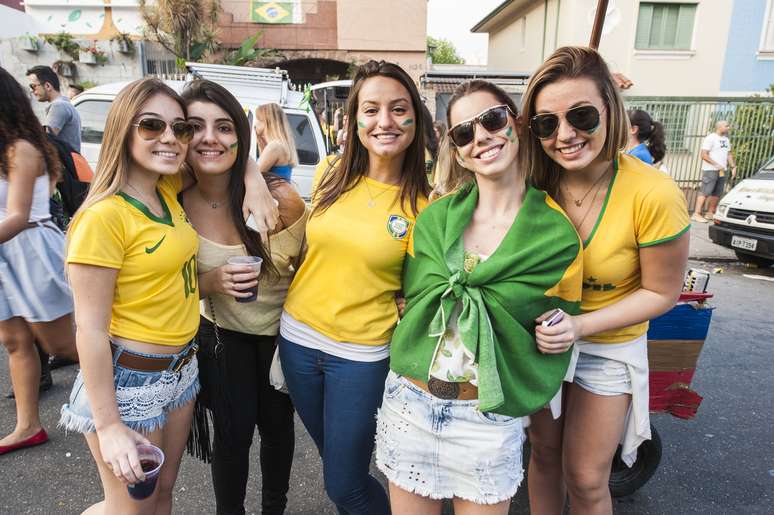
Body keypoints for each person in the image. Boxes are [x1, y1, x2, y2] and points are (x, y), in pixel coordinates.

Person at [58, 77, 279, 515]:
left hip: (179, 373)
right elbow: (89, 329)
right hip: (128, 384)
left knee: (162, 495)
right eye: (151, 126)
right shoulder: (104, 217)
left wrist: (253, 174)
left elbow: (224, 155)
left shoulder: (165, 190)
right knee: (130, 510)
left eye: (180, 129)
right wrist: (109, 426)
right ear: (123, 130)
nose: (171, 138)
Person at [377, 79, 583, 514]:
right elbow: (413, 299)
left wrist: (558, 334)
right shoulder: (435, 219)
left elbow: (557, 325)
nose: (481, 138)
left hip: (486, 418)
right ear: (455, 149)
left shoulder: (555, 234)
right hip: (409, 405)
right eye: (463, 133)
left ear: (517, 123)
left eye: (491, 120)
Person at [520, 47, 690, 515]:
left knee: (585, 477)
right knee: (545, 455)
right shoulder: (532, 180)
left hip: (610, 344)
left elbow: (662, 292)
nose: (565, 135)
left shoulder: (652, 192)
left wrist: (578, 327)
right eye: (546, 123)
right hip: (541, 340)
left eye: (581, 115)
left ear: (610, 111)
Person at [277, 60, 430, 515]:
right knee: (337, 470)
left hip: (361, 358)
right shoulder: (329, 173)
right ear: (355, 120)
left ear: (415, 119)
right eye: (371, 109)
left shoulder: (427, 206)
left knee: (345, 484)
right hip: (297, 341)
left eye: (398, 109)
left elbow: (421, 291)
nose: (385, 121)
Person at [180, 80, 306, 515]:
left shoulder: (280, 200)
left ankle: (275, 508)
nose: (210, 137)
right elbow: (153, 282)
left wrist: (252, 176)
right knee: (231, 437)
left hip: (278, 335)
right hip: (220, 333)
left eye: (225, 127)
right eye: (195, 126)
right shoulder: (171, 201)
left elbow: (311, 269)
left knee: (276, 428)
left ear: (242, 135)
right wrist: (209, 282)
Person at [0, 67, 78, 455]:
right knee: (15, 342)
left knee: (64, 345)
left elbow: (17, 215)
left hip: (31, 250)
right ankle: (28, 425)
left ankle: (138, 396)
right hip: (4, 256)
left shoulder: (22, 149)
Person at [26, 65, 82, 153]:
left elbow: (44, 141)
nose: (32, 91)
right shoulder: (65, 104)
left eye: (33, 86)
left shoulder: (59, 106)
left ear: (48, 86)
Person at [693, 120, 736, 223]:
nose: (728, 128)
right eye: (726, 126)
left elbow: (729, 154)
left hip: (722, 170)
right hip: (710, 170)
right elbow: (703, 154)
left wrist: (733, 166)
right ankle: (696, 214)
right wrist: (715, 164)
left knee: (717, 192)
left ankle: (710, 213)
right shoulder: (710, 138)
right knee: (705, 191)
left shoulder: (726, 139)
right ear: (719, 127)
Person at [254, 103, 298, 184]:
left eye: (258, 119)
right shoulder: (280, 145)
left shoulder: (274, 147)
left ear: (268, 122)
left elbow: (253, 176)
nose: (255, 124)